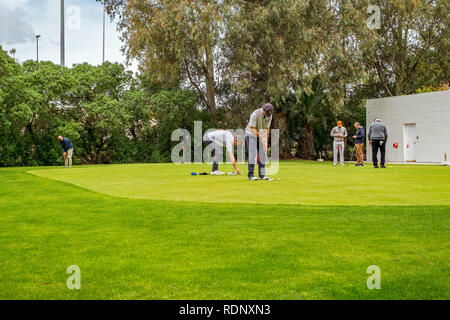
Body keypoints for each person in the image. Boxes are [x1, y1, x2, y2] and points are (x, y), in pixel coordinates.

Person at [245, 103, 273, 180]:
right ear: (263, 109)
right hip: (250, 134)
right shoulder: (254, 114)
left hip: (261, 133)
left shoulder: (269, 115)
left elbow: (267, 128)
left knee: (263, 154)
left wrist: (266, 141)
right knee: (253, 154)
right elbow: (252, 128)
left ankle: (262, 175)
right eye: (266, 113)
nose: (267, 115)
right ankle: (250, 175)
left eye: (269, 114)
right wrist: (261, 138)